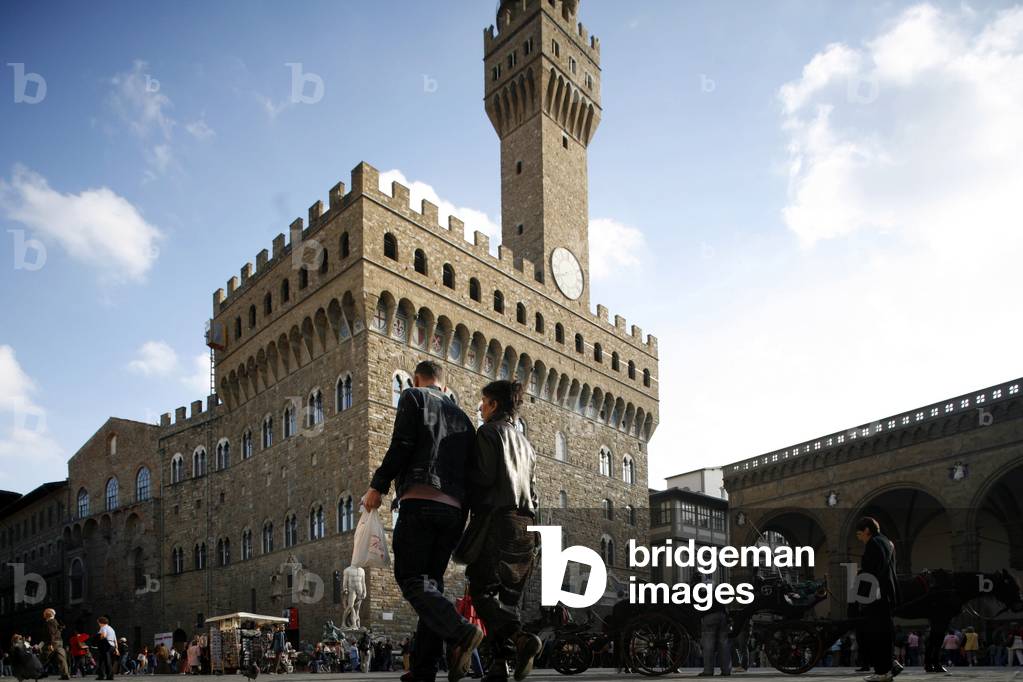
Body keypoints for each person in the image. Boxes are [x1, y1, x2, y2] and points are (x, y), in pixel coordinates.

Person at [363, 360, 483, 682]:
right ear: (444, 386)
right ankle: (424, 668)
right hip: (454, 512)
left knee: (410, 578)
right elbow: (473, 472)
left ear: (417, 379)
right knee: (432, 585)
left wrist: (378, 486)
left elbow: (401, 444)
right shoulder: (464, 418)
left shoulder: (413, 397)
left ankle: (459, 632)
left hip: (420, 500)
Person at [463, 380, 542, 682]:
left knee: (482, 588)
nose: (480, 408)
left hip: (498, 521)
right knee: (508, 596)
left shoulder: (488, 432)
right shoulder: (525, 444)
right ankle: (500, 664)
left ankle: (520, 639)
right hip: (527, 525)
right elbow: (534, 491)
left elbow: (482, 479)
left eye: (483, 402)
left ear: (494, 404)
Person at [854, 517, 901, 682]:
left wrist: (861, 594)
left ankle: (882, 672)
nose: (859, 538)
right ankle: (888, 667)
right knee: (885, 632)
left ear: (867, 530)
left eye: (860, 534)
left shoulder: (874, 543)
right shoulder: (887, 542)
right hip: (887, 594)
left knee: (877, 634)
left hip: (876, 594)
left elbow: (873, 572)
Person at [695, 575, 731, 678]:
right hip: (722, 615)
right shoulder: (715, 589)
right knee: (724, 644)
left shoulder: (701, 590)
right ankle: (726, 670)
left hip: (709, 616)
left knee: (708, 645)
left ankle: (708, 671)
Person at [42, 609, 70, 680]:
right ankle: (65, 674)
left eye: (44, 613)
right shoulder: (55, 621)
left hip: (53, 642)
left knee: (44, 657)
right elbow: (60, 629)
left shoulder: (50, 622)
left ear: (48, 614)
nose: (43, 615)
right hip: (59, 642)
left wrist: (50, 644)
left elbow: (51, 633)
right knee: (62, 658)